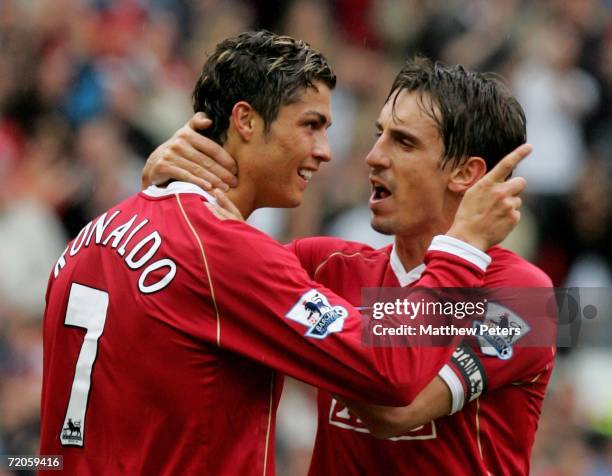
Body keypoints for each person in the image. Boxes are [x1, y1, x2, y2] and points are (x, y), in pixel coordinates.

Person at [39, 33, 528, 476]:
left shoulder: (531, 302)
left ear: (465, 174)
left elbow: (397, 409)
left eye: (401, 142)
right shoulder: (324, 263)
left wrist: (461, 249)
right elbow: (218, 266)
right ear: (246, 121)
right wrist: (168, 190)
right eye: (378, 133)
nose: (370, 155)